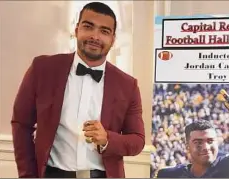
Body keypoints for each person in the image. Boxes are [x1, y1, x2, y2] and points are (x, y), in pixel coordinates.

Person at [11, 2, 145, 178]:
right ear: (76, 30)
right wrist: (27, 175)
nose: (95, 36)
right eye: (88, 27)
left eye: (104, 31)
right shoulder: (42, 68)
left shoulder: (128, 85)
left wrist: (107, 139)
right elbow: (22, 124)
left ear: (113, 39)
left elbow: (137, 140)